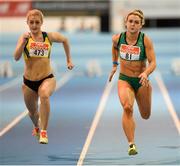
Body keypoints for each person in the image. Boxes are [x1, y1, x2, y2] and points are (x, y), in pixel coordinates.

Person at [14, 9, 74, 144]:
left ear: (41, 23)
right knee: (33, 113)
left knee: (44, 95)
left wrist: (68, 59)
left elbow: (65, 40)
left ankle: (44, 131)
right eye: (31, 22)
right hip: (28, 82)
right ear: (27, 23)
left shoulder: (49, 37)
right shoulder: (24, 38)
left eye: (37, 22)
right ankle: (36, 126)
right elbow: (16, 57)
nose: (34, 25)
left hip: (47, 77)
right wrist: (23, 43)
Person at [109, 9, 156, 155]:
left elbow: (153, 62)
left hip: (141, 80)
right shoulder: (117, 38)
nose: (133, 24)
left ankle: (148, 91)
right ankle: (131, 144)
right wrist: (114, 65)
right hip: (125, 79)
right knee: (127, 107)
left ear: (141, 25)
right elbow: (114, 48)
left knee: (145, 115)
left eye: (136, 22)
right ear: (126, 23)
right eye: (130, 21)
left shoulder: (145, 40)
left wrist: (146, 73)